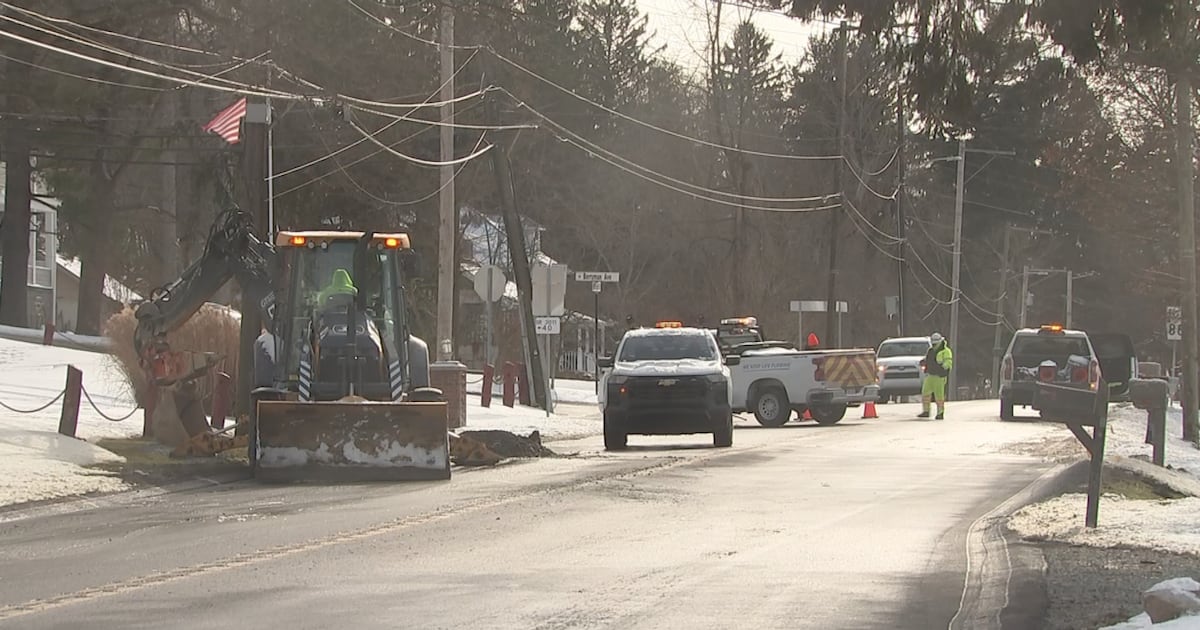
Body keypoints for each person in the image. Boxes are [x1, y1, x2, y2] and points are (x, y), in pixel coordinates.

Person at [919, 332, 954, 419]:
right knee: (925, 393)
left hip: (939, 376)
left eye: (935, 343)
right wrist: (924, 362)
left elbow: (948, 362)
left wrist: (944, 369)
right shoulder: (930, 350)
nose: (934, 345)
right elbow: (928, 359)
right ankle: (926, 411)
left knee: (939, 395)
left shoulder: (946, 351)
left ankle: (940, 413)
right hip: (930, 374)